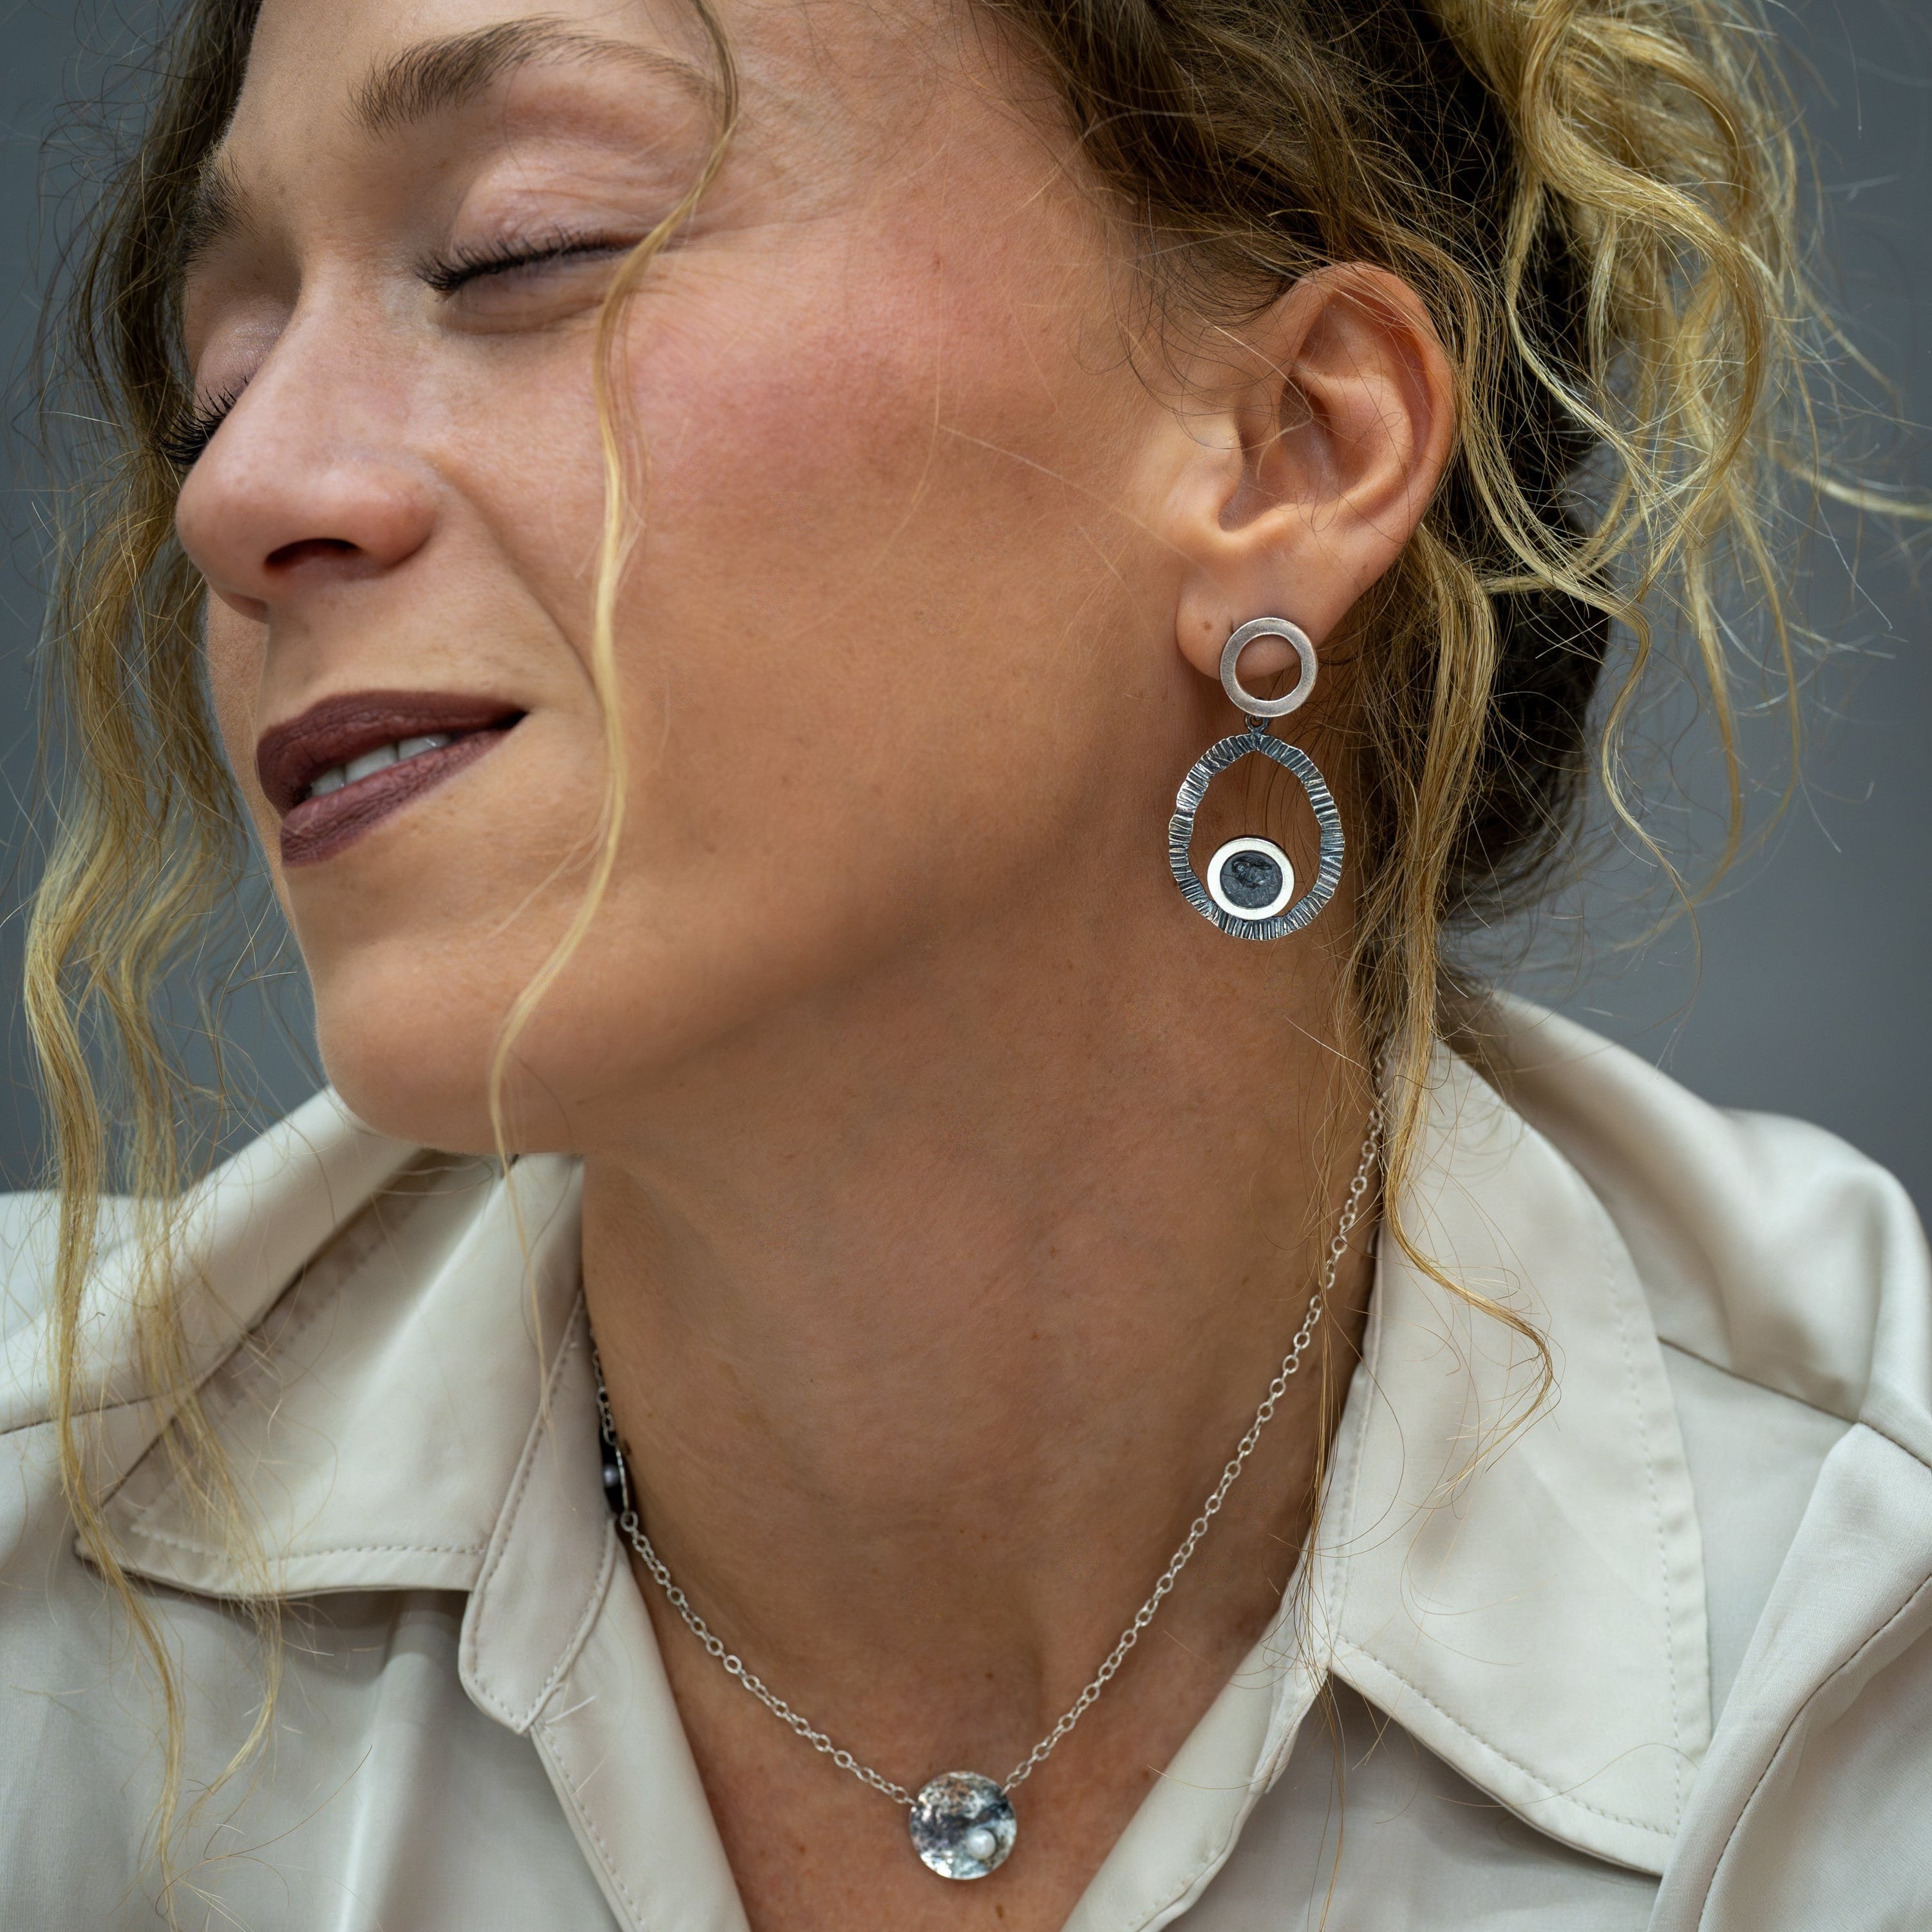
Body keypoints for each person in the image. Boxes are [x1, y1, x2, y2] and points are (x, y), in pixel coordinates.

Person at [3, 0, 1927, 1926]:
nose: (237, 495)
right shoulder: (46, 1595)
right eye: (220, 371)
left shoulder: (1859, 1645)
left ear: (1292, 449)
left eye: (526, 246)